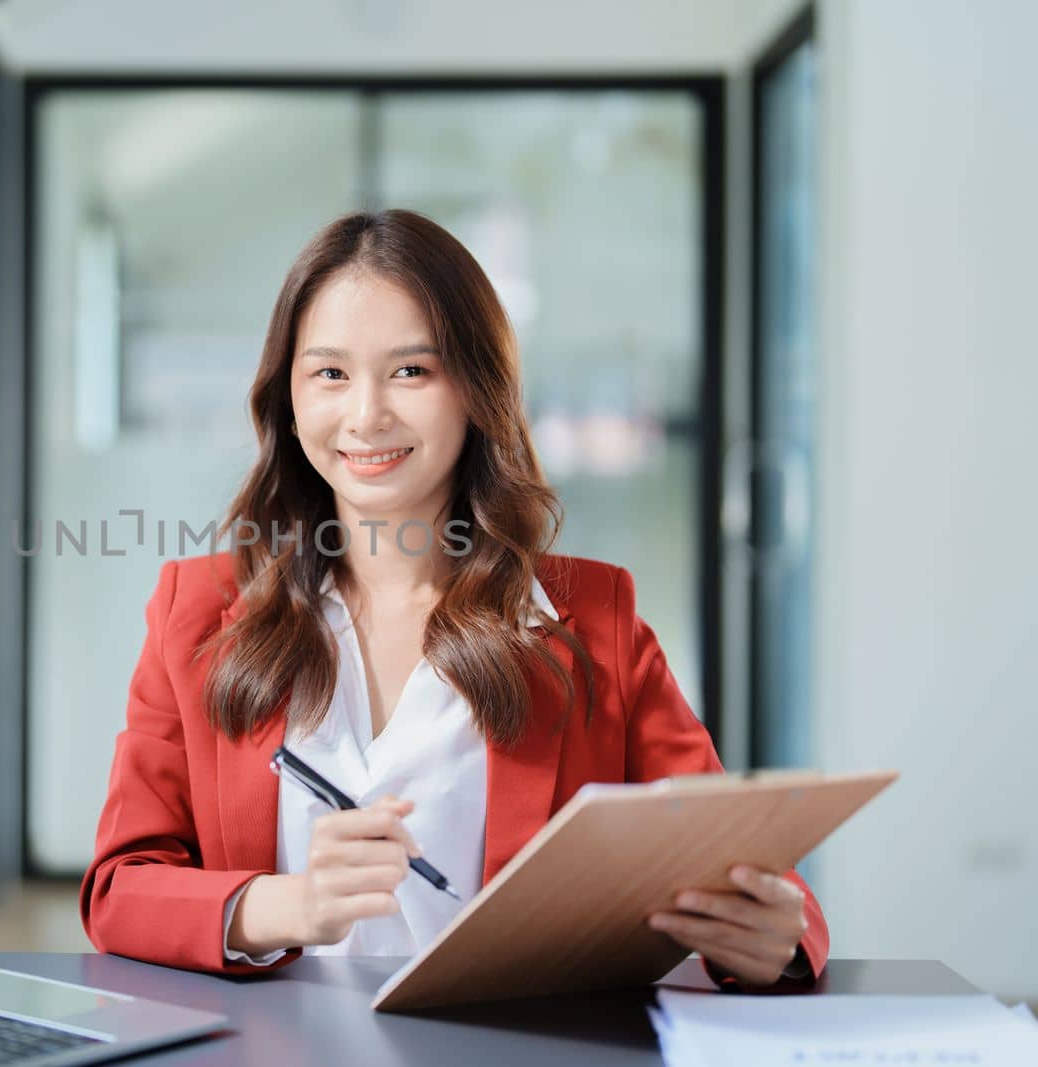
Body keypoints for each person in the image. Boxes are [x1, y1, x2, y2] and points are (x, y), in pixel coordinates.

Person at [79, 209, 824, 989]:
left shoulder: (594, 621)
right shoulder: (194, 611)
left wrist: (776, 935)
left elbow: (746, 862)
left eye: (411, 371)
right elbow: (118, 887)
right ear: (288, 397)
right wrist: (284, 905)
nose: (366, 415)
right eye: (330, 373)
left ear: (475, 389)